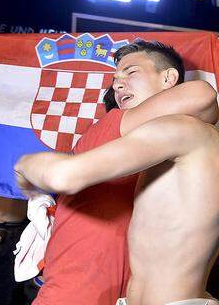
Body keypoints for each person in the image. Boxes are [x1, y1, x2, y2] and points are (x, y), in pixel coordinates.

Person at [15, 41, 219, 305]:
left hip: (92, 290)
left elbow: (201, 95)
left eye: (131, 72)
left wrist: (24, 165)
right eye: (115, 79)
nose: (117, 84)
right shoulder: (184, 140)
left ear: (169, 78)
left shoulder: (166, 129)